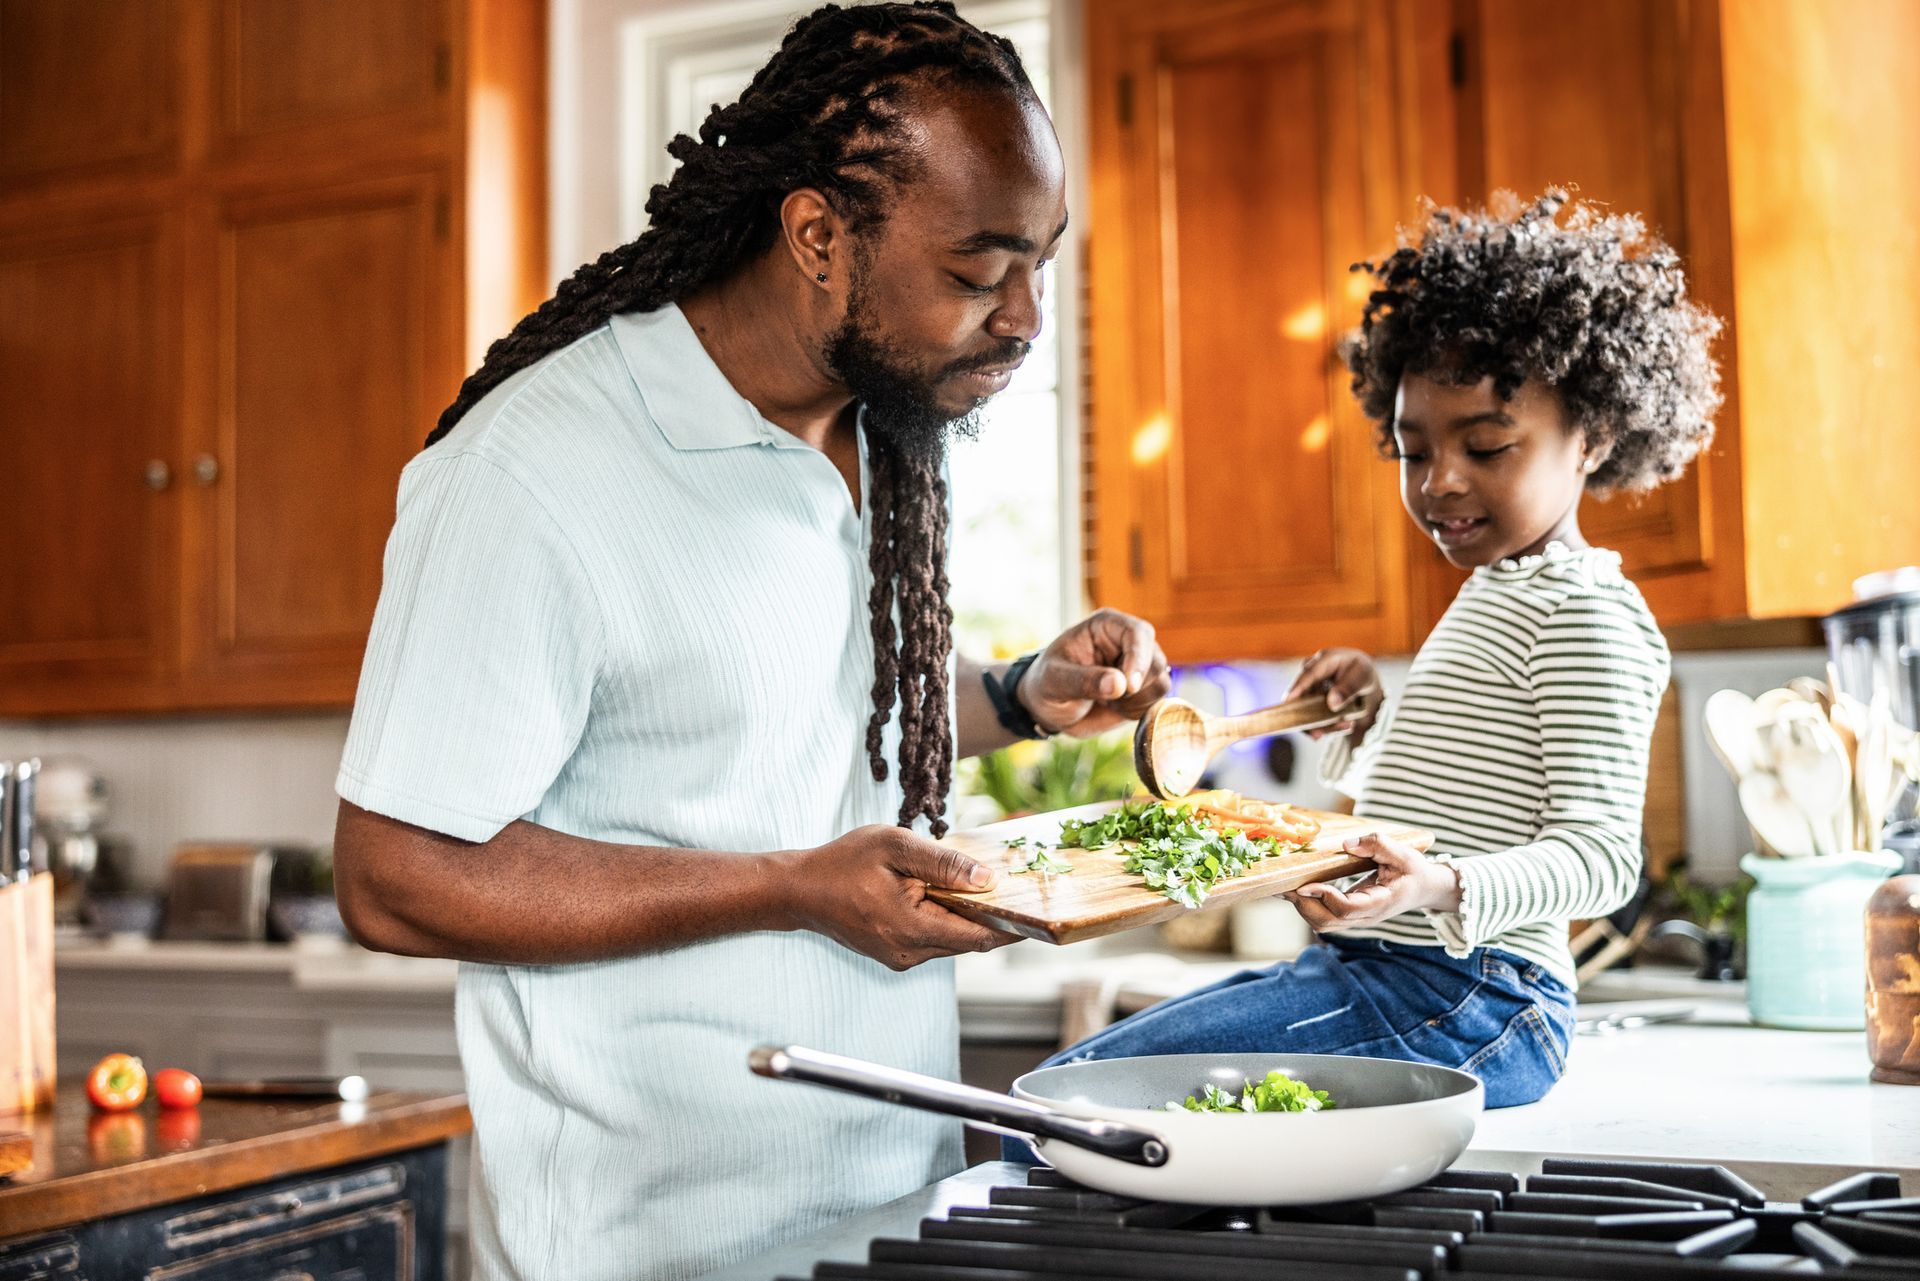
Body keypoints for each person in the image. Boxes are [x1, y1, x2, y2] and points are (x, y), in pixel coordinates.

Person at [329, 6, 1169, 1278]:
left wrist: (1015, 694)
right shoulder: (537, 468)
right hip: (649, 1249)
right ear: (819, 235)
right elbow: (393, 873)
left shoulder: (871, 434)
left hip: (891, 1207)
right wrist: (789, 888)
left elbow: (784, 698)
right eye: (979, 271)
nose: (1027, 320)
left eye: (1042, 264)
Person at [1021, 189, 1721, 1112]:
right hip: (1390, 974)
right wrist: (1357, 729)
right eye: (1412, 451)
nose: (1440, 483)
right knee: (1072, 1094)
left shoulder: (1589, 616)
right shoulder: (1500, 592)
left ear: (1590, 436)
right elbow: (1456, 796)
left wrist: (1436, 884)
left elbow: (1599, 859)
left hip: (1475, 996)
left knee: (1075, 1100)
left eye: (1488, 445)